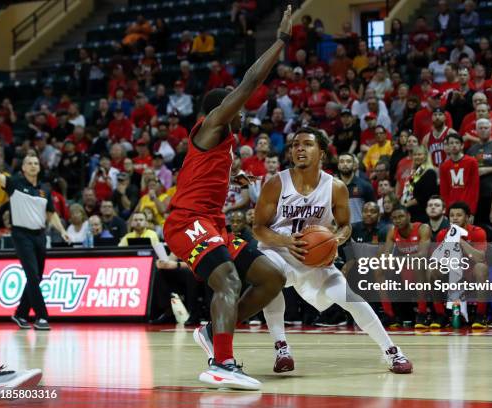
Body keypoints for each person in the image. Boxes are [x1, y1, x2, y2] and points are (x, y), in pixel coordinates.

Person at [164, 7, 294, 391]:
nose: (243, 113)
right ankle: (221, 361)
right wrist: (280, 42)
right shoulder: (212, 124)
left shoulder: (225, 141)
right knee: (228, 281)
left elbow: (203, 172)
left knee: (272, 277)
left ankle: (212, 331)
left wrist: (232, 175)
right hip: (187, 223)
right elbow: (251, 82)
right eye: (238, 109)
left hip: (211, 223)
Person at [253, 128, 412, 374]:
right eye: (295, 144)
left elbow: (345, 226)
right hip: (279, 252)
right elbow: (258, 229)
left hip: (315, 258)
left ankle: (392, 351)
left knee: (349, 297)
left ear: (322, 154)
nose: (299, 149)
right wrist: (286, 242)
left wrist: (335, 240)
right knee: (270, 280)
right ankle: (281, 347)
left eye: (307, 144)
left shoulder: (335, 187)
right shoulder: (276, 183)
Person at [0, 138, 70, 331]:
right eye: (29, 163)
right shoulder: (15, 184)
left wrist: (62, 230)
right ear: (23, 168)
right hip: (21, 235)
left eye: (35, 163)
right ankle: (42, 317)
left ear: (39, 168)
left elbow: (51, 214)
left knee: (37, 277)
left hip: (40, 235)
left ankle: (21, 314)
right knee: (32, 275)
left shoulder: (44, 191)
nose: (33, 166)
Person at [433, 202, 488, 329]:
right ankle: (441, 315)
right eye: (452, 215)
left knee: (481, 267)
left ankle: (480, 315)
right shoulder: (442, 234)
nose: (455, 218)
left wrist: (460, 240)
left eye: (459, 215)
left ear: (467, 218)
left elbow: (480, 258)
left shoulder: (477, 232)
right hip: (452, 273)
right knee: (432, 269)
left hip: (471, 273)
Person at [381, 204, 431, 328]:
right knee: (379, 269)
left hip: (427, 268)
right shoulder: (392, 232)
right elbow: (386, 255)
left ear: (409, 216)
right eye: (395, 218)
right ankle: (389, 315)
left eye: (401, 216)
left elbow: (422, 255)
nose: (398, 220)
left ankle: (422, 313)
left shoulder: (422, 228)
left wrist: (397, 260)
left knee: (418, 264)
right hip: (405, 267)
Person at [466, 118, 492, 225]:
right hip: (476, 195)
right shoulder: (472, 150)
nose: (483, 130)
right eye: (480, 128)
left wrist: (487, 170)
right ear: (476, 131)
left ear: (491, 130)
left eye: (486, 128)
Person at [439, 133, 480, 215]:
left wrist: (471, 211)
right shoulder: (444, 166)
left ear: (462, 146)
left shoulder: (472, 162)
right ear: (447, 146)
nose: (454, 145)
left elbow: (474, 188)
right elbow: (444, 191)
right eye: (451, 143)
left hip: (467, 208)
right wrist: (446, 211)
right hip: (451, 208)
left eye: (457, 143)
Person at [337, 153, 375, 224]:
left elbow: (373, 210)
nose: (345, 164)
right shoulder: (332, 187)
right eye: (342, 161)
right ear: (338, 165)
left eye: (348, 161)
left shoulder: (365, 185)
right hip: (339, 230)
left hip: (360, 230)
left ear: (354, 165)